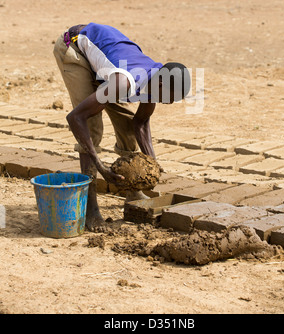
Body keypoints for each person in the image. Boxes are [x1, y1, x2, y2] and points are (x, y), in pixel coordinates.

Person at [53, 22, 190, 231]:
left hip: (106, 66)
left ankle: (133, 190)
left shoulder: (154, 77)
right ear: (161, 84)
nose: (169, 103)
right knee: (91, 125)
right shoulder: (126, 82)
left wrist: (152, 162)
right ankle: (91, 209)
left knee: (126, 126)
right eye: (170, 98)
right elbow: (75, 118)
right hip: (75, 51)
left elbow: (140, 123)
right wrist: (101, 166)